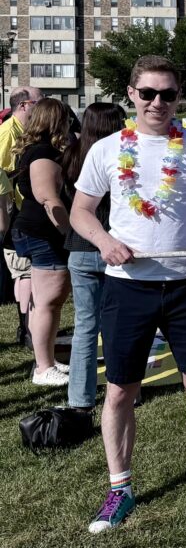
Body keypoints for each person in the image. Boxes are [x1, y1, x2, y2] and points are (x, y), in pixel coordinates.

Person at [70, 55, 186, 533]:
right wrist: (105, 242)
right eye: (148, 93)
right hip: (128, 287)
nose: (158, 103)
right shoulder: (106, 149)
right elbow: (81, 212)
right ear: (131, 95)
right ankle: (118, 488)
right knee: (122, 388)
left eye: (167, 94)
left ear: (178, 96)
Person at [63, 103, 126, 412]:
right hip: (113, 245)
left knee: (85, 326)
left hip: (81, 246)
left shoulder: (72, 155)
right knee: (121, 325)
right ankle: (127, 388)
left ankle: (80, 398)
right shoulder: (120, 155)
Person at [11, 98, 72, 385]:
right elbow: (49, 199)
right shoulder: (43, 153)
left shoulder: (35, 150)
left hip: (35, 230)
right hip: (44, 233)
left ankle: (45, 360)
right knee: (49, 301)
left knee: (44, 302)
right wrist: (68, 232)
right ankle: (43, 367)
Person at [2, 86, 43, 346]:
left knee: (23, 270)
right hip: (11, 209)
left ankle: (26, 327)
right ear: (25, 105)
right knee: (22, 270)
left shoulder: (21, 130)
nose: (42, 108)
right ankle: (26, 329)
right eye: (39, 103)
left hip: (18, 206)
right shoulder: (7, 132)